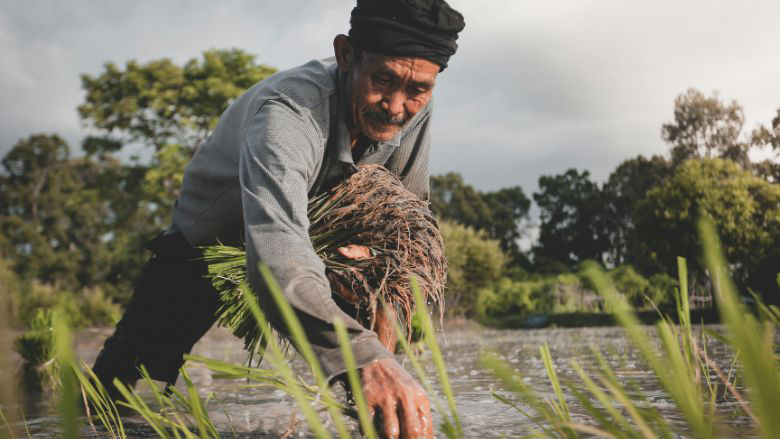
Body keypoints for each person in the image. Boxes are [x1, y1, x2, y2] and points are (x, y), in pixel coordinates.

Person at [92, 0, 465, 437]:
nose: (396, 106)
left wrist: (376, 262)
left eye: (417, 89)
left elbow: (408, 215)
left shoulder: (412, 103)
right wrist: (363, 357)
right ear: (346, 55)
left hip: (321, 229)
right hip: (213, 240)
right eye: (382, 79)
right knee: (126, 379)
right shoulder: (289, 113)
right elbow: (278, 255)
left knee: (376, 295)